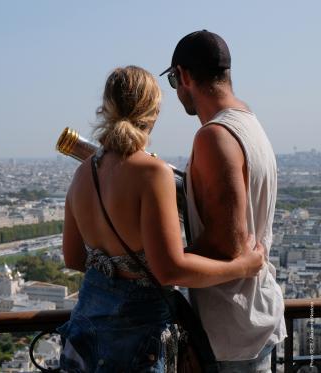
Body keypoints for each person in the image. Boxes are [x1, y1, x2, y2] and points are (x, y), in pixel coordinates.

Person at [58, 65, 265, 373]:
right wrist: (243, 266)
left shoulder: (83, 173)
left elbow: (73, 257)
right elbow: (168, 269)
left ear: (107, 108)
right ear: (153, 112)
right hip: (137, 333)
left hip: (87, 327)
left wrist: (112, 263)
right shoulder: (152, 173)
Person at [160, 30, 287, 372]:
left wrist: (157, 258)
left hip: (228, 328)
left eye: (173, 81)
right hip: (252, 319)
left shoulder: (214, 136)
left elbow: (226, 246)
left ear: (183, 76)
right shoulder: (250, 124)